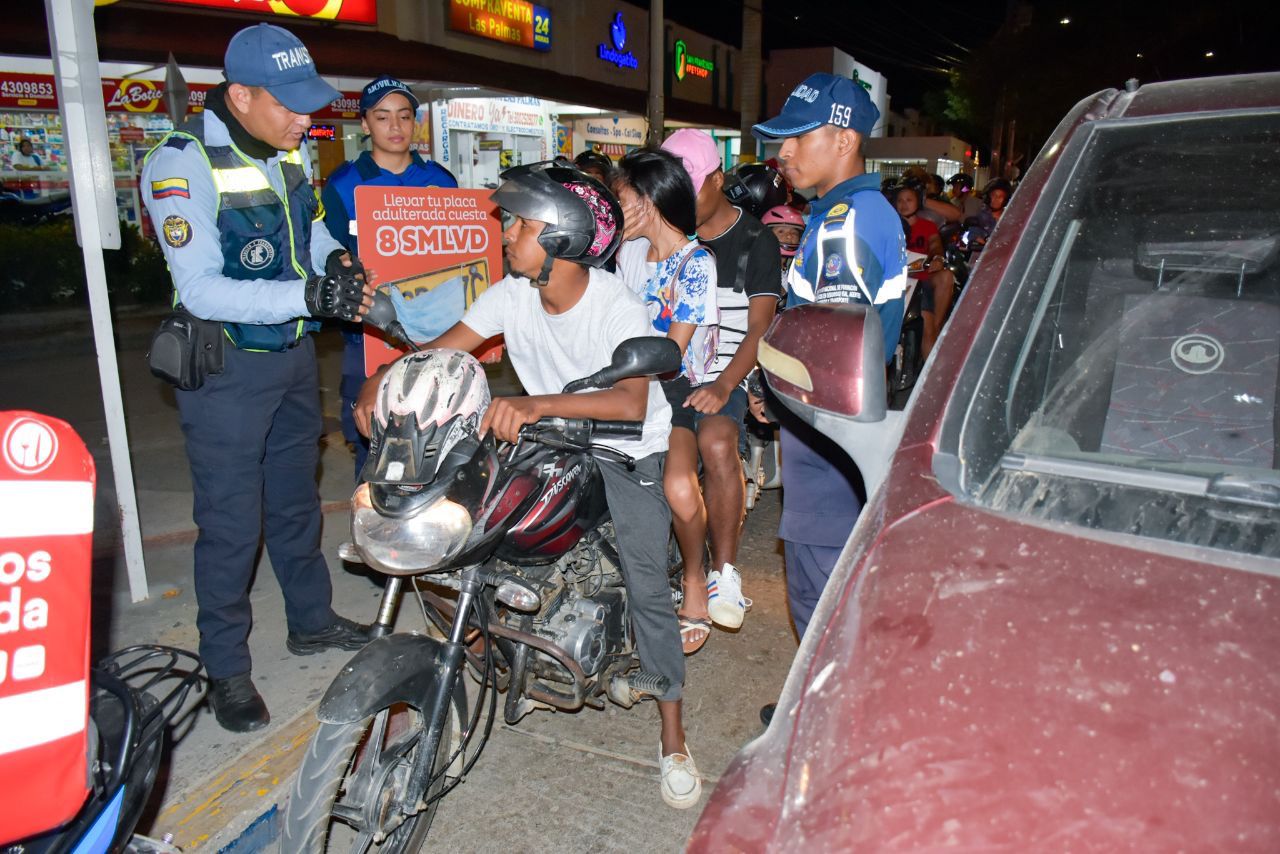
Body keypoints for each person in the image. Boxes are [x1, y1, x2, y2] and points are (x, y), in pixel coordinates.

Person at [354, 160, 702, 809]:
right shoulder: (513, 294)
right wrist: (389, 375)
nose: (505, 232)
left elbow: (630, 402)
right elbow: (447, 347)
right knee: (467, 527)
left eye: (518, 221)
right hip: (547, 434)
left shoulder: (612, 304)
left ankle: (675, 736)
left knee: (648, 582)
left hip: (627, 450)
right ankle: (500, 647)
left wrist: (538, 404)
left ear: (562, 236)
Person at [140, 23, 375, 733]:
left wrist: (334, 259)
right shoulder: (180, 164)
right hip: (227, 372)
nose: (306, 119)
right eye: (290, 104)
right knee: (232, 524)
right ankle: (226, 670)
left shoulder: (285, 149)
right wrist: (307, 298)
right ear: (239, 95)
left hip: (294, 359)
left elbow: (308, 231)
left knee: (295, 503)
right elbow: (203, 289)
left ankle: (309, 619)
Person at [750, 72, 908, 720]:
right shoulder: (847, 214)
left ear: (843, 138)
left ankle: (823, 727)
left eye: (796, 137)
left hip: (828, 436)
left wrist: (777, 385)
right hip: (835, 430)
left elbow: (829, 346)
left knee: (821, 592)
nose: (782, 153)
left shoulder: (845, 224)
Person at [654, 129, 782, 650]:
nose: (681, 199)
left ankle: (723, 571)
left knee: (716, 443)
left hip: (725, 370)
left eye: (691, 185)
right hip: (664, 369)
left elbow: (759, 330)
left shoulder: (756, 241)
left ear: (718, 179)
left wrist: (725, 383)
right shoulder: (663, 233)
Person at [320, 74, 457, 478]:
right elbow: (327, 253)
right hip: (368, 337)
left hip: (435, 330)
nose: (395, 127)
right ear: (364, 124)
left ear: (415, 121)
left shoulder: (441, 181)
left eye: (403, 116)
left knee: (440, 437)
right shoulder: (344, 185)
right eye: (382, 118)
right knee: (375, 445)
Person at [612, 147, 720, 655]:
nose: (616, 208)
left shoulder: (696, 264)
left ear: (649, 201)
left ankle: (697, 576)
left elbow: (671, 353)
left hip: (675, 387)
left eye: (622, 197)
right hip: (626, 380)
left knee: (678, 487)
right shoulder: (628, 254)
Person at [894, 183, 955, 356]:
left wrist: (936, 257)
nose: (904, 204)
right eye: (900, 200)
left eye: (909, 200)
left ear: (917, 202)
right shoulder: (890, 226)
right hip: (897, 282)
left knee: (946, 277)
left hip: (921, 280)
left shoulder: (927, 226)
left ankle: (935, 329)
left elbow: (935, 244)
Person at [761, 204, 805, 276]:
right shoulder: (759, 268)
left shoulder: (794, 270)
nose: (789, 236)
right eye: (781, 231)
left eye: (794, 232)